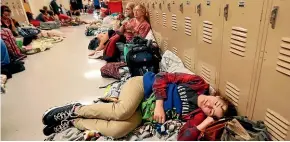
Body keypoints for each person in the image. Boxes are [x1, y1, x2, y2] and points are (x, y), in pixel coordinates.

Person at [42, 72, 235, 139]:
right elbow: (162, 77)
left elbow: (184, 139)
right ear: (215, 95)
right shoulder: (198, 84)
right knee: (122, 111)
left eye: (212, 111)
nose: (209, 106)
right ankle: (75, 109)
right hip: (144, 87)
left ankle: (74, 123)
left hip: (144, 111)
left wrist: (206, 122)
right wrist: (160, 103)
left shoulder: (198, 115)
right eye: (215, 103)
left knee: (118, 130)